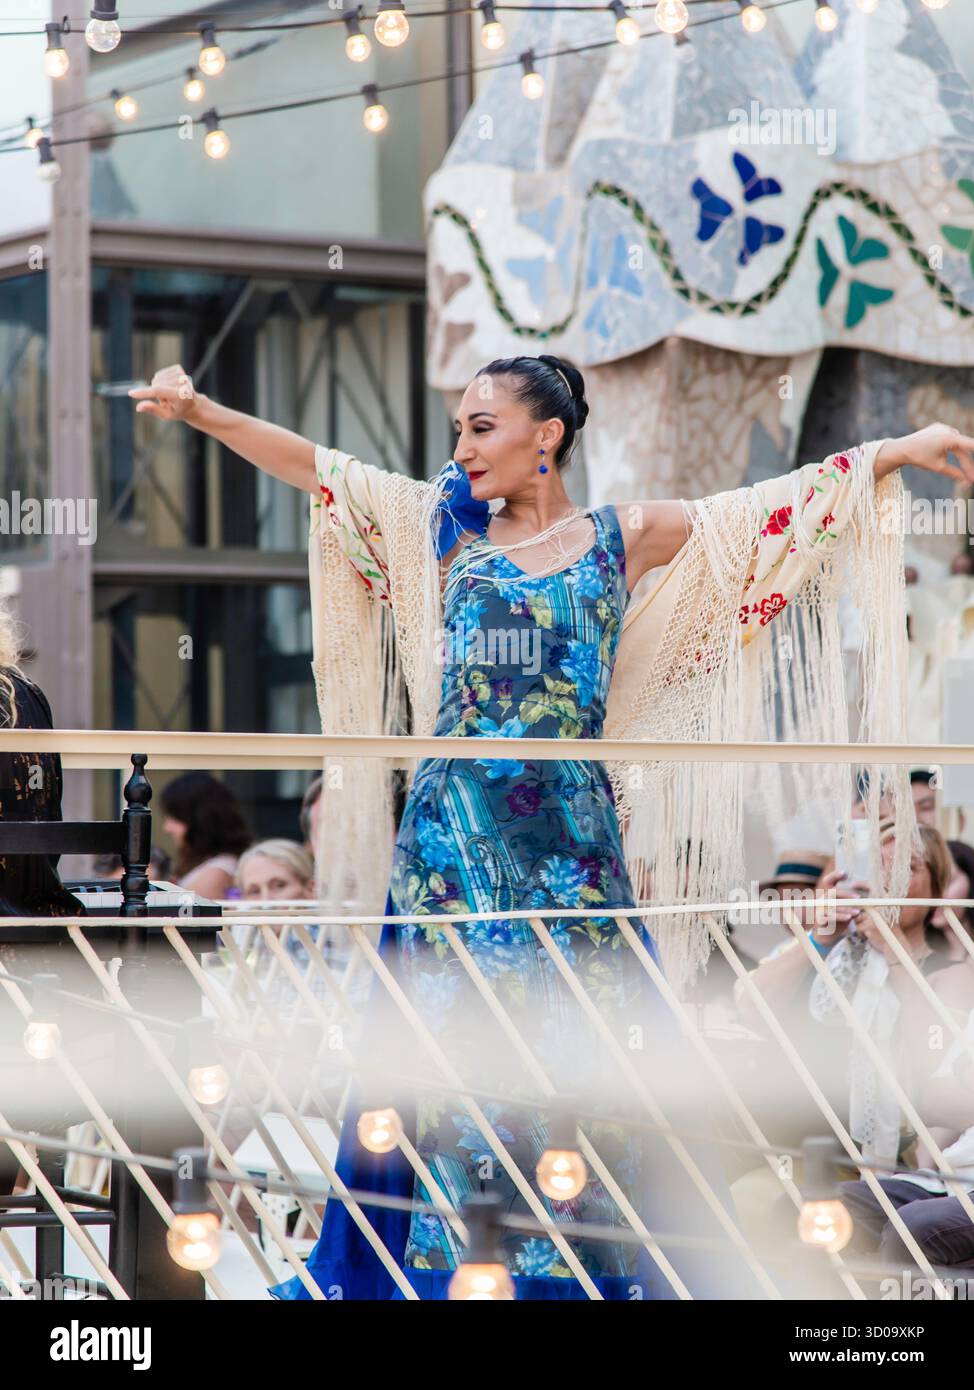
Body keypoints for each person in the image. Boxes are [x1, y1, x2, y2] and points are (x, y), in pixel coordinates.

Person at [131, 357, 974, 1300]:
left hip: (573, 857)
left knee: (591, 1064)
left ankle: (577, 1271)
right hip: (452, 853)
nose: (462, 447)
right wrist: (203, 410)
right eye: (458, 428)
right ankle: (455, 1269)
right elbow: (318, 470)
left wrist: (898, 449)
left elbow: (766, 512)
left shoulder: (621, 536)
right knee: (449, 1069)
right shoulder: (441, 534)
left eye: (482, 426)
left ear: (548, 435)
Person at [158, 770, 252, 901]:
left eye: (175, 817)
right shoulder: (212, 865)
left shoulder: (215, 873)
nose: (167, 828)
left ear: (199, 820)